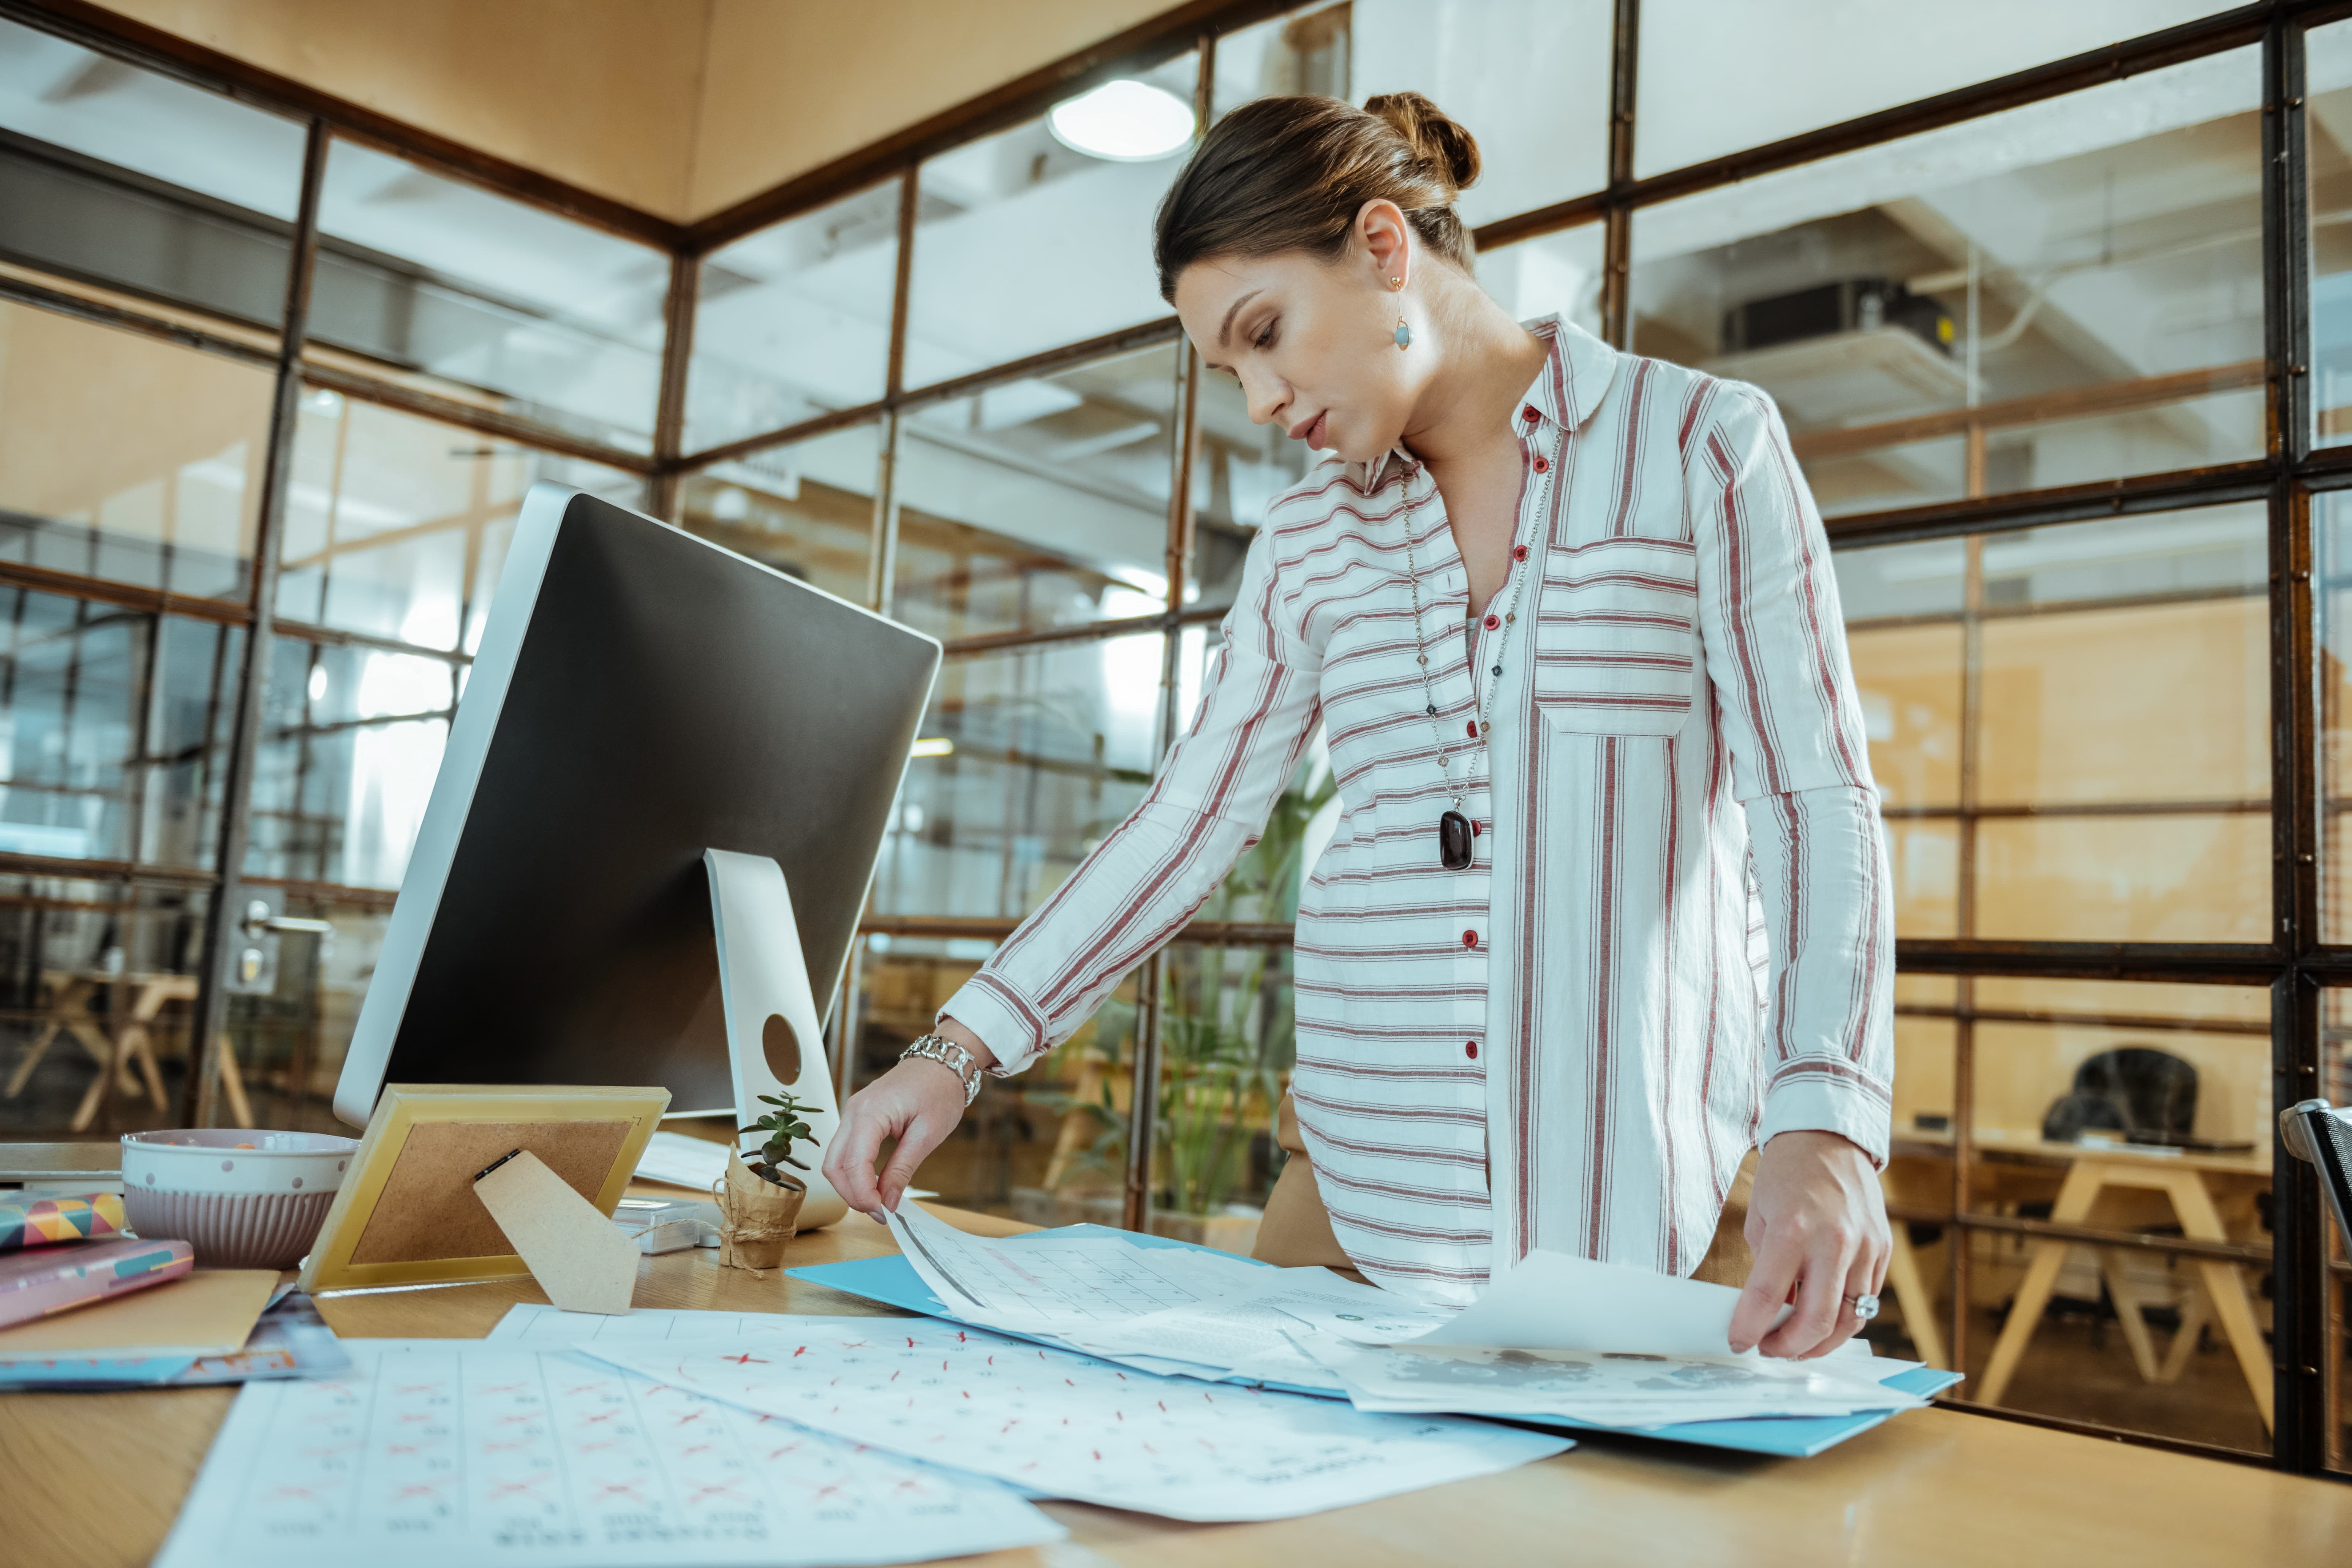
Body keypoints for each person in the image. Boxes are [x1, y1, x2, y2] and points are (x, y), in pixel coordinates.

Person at [827, 92, 1895, 1361]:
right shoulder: (1305, 544)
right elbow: (1192, 816)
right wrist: (956, 1051)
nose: (1263, 400)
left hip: (1643, 1224)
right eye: (1231, 371)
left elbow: (1813, 799)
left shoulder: (1704, 449)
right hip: (1338, 1215)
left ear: (1385, 246)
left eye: (1264, 334)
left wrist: (1826, 1118)